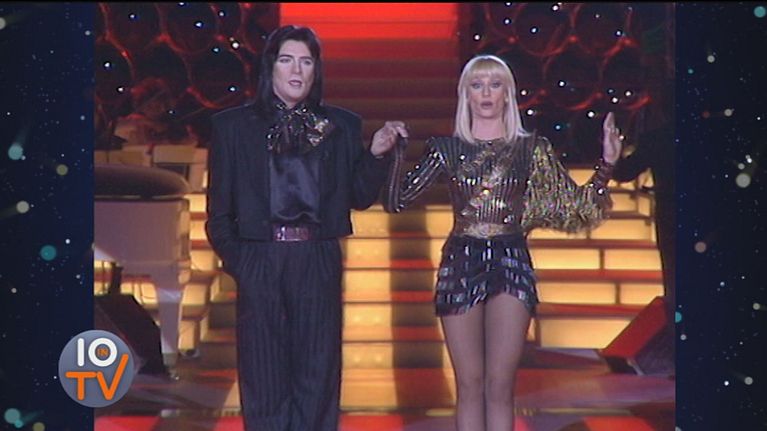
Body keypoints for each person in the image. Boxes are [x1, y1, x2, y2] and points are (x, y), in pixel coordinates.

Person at [381, 54, 622, 431]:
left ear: (508, 94)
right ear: (465, 94)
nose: (486, 93)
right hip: (461, 261)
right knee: (469, 384)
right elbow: (397, 201)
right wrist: (394, 152)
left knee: (499, 385)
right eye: (477, 86)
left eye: (495, 85)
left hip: (511, 261)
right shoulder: (445, 148)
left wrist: (606, 165)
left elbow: (577, 207)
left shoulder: (532, 149)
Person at [205, 25, 401, 431]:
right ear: (271, 67)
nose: (297, 70)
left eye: (306, 61)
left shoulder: (341, 125)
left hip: (317, 257)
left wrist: (376, 154)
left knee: (318, 373)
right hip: (260, 256)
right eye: (287, 60)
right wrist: (244, 264)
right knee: (263, 376)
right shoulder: (233, 127)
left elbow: (358, 196)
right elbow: (218, 215)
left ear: (316, 70)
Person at [612, 81, 675, 365]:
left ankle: (679, 353)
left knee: (676, 284)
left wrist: (611, 152)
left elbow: (624, 172)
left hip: (672, 217)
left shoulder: (657, 138)